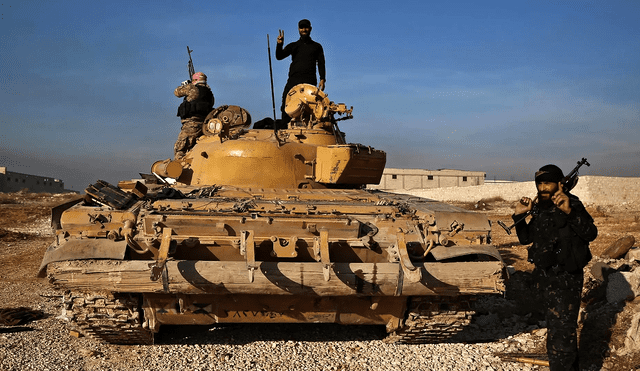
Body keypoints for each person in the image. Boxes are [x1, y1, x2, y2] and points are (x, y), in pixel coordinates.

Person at [512, 164, 597, 371]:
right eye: (540, 183)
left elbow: (591, 233)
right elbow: (526, 238)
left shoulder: (572, 204)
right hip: (546, 279)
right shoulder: (541, 208)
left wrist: (569, 212)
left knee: (561, 334)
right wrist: (519, 216)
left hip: (566, 279)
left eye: (547, 183)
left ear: (560, 184)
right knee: (557, 332)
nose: (543, 188)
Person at [276, 19, 326, 125]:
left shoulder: (317, 46)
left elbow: (321, 63)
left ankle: (309, 130)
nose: (304, 29)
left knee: (310, 106)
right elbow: (279, 56)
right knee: (286, 103)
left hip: (309, 82)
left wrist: (322, 79)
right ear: (299, 29)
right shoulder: (294, 46)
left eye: (306, 27)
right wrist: (280, 44)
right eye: (302, 27)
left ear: (310, 29)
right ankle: (285, 129)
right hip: (293, 81)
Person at [174, 72, 214, 159]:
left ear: (195, 80)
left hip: (191, 124)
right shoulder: (209, 93)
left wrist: (187, 85)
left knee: (181, 149)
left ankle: (179, 169)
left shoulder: (192, 88)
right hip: (205, 125)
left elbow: (177, 92)